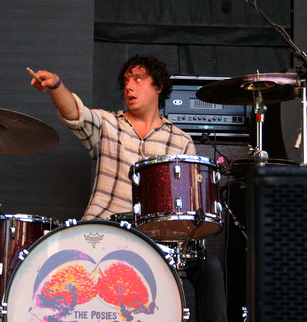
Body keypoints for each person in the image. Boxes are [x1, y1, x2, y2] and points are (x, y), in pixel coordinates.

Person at [31, 54, 226, 322]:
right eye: (125, 82)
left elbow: (188, 205)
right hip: (105, 231)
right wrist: (55, 85)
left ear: (158, 87)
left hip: (159, 240)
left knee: (209, 266)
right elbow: (74, 113)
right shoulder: (107, 124)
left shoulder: (181, 140)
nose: (129, 87)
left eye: (138, 79)